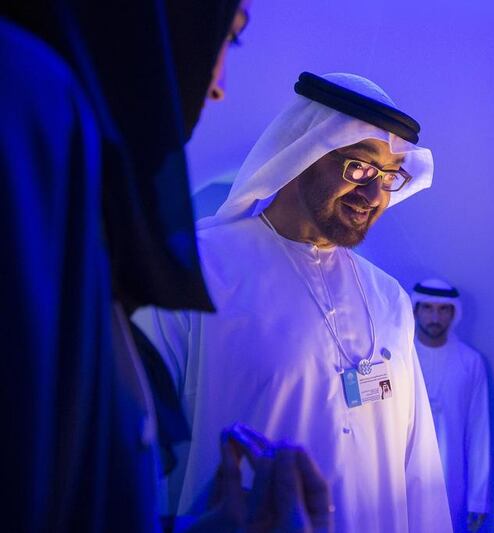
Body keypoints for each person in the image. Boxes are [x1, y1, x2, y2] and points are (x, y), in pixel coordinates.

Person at [2, 2, 329, 531]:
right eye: (231, 37)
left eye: (389, 175)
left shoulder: (383, 295)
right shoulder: (30, 103)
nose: (217, 85)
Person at [135, 72, 451, 532]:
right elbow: (133, 457)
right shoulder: (193, 269)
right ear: (303, 152)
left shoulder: (388, 297)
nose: (374, 195)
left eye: (388, 177)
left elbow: (416, 461)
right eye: (359, 167)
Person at [412, 279, 490, 533]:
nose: (435, 316)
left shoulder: (470, 361)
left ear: (453, 313)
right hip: (405, 481)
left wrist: (478, 498)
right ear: (416, 310)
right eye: (428, 308)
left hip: (451, 482)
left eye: (443, 309)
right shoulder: (402, 355)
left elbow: (479, 433)